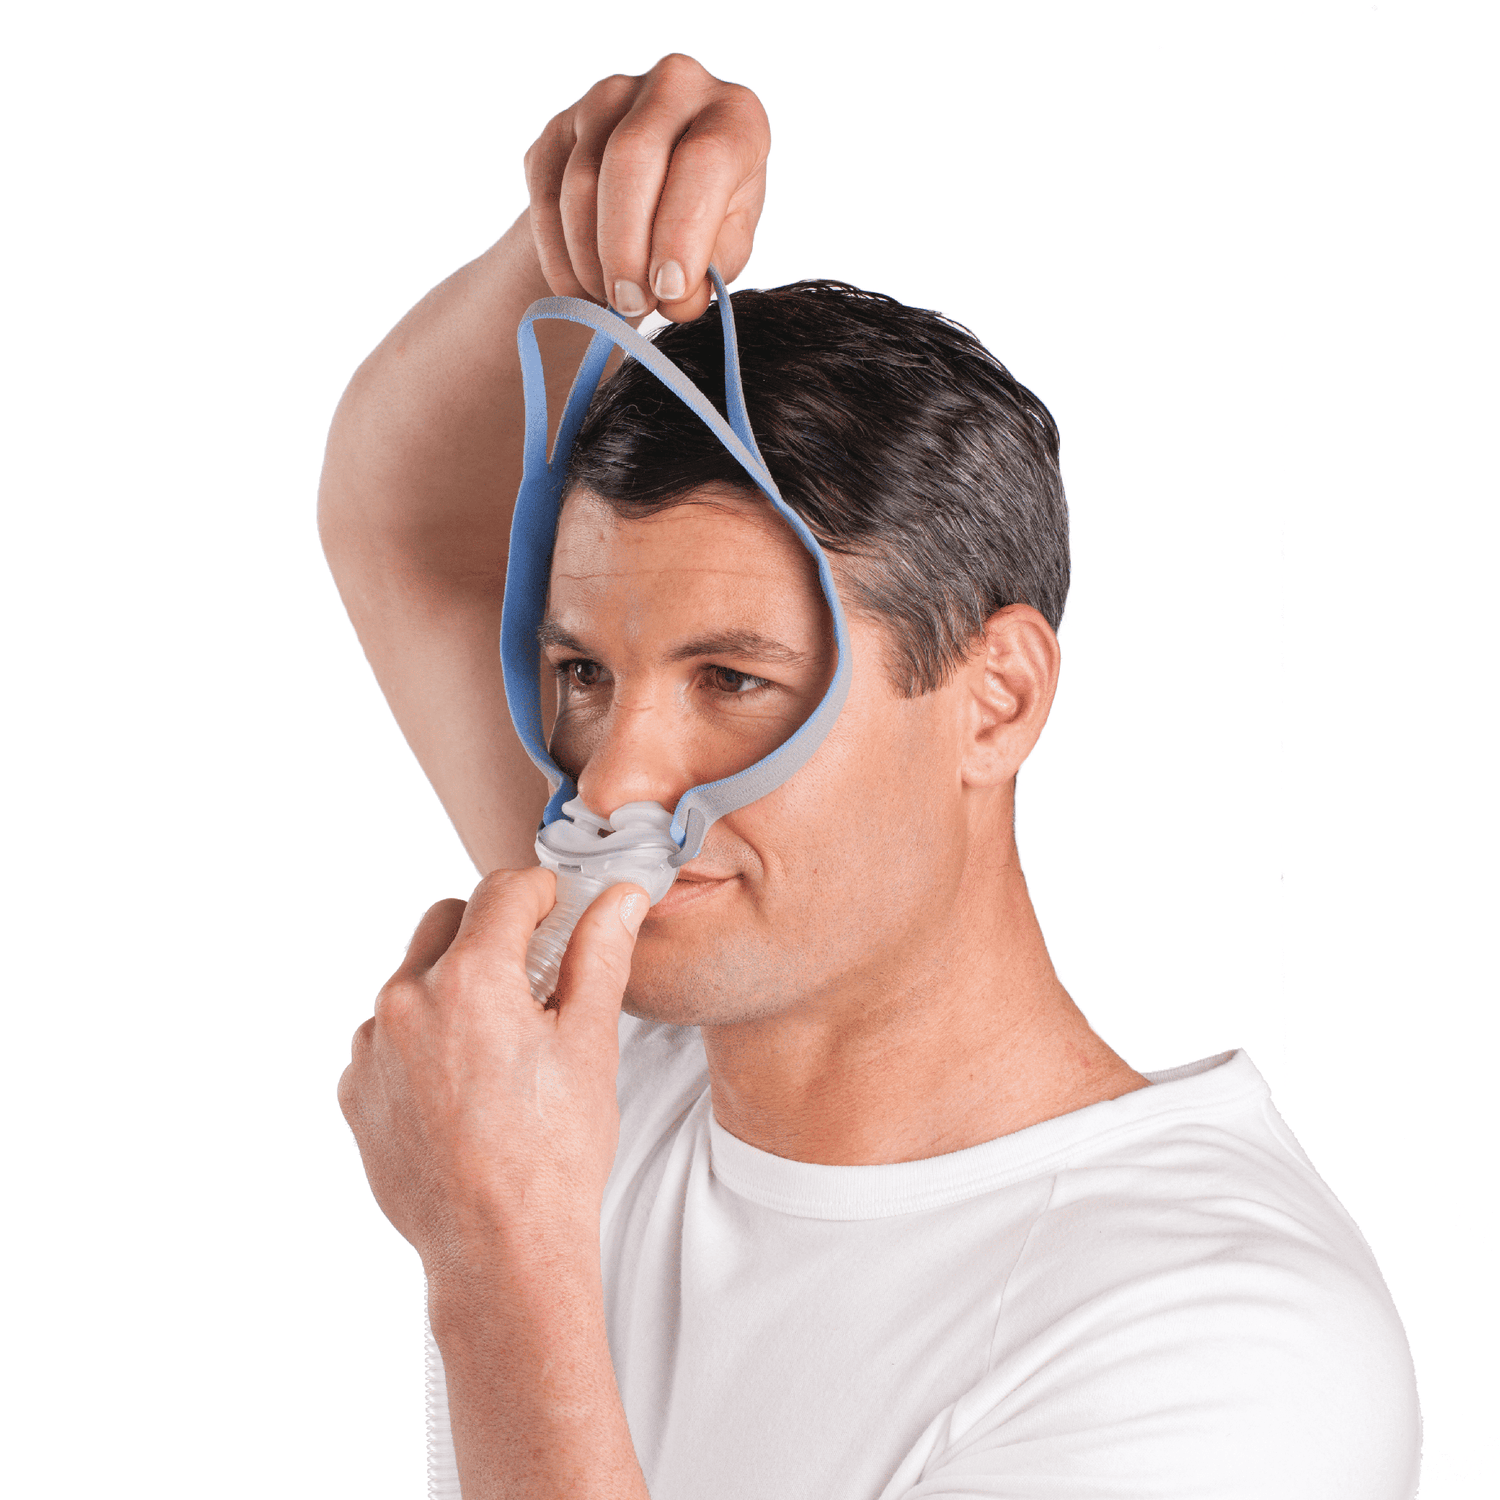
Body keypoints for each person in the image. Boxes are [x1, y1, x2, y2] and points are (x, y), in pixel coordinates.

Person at [321, 54, 1421, 1500]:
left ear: (996, 699)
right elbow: (409, 527)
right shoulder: (630, 1049)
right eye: (583, 673)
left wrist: (496, 1259)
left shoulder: (1226, 1354)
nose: (612, 787)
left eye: (732, 683)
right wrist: (587, 248)